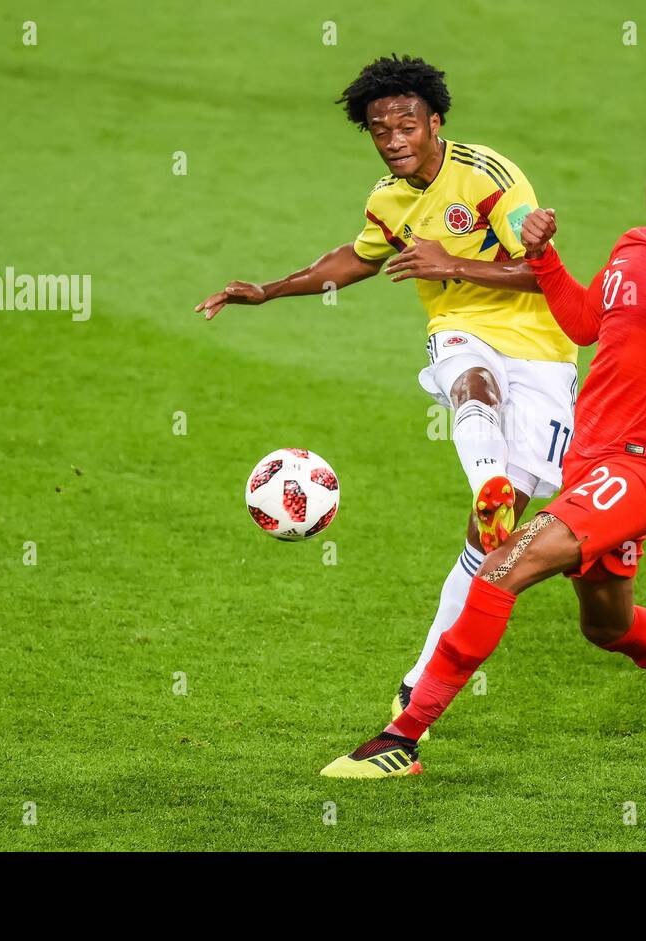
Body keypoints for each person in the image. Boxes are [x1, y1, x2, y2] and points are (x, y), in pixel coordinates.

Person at [320, 114, 646, 779]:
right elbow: (581, 322)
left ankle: (402, 738)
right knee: (607, 626)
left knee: (500, 566)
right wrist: (543, 256)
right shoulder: (632, 246)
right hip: (590, 463)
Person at [194, 56, 578, 734]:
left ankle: (418, 674)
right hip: (463, 329)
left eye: (407, 125)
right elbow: (358, 257)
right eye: (380, 130)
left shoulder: (489, 176)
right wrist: (271, 290)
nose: (395, 140)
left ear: (436, 122)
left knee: (487, 552)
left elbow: (544, 272)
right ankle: (486, 484)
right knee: (467, 375)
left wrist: (450, 263)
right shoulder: (388, 200)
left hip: (544, 352)